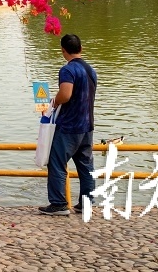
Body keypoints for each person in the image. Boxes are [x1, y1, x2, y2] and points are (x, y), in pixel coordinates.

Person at [40, 33, 98, 216]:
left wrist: (53, 103)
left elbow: (65, 94)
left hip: (70, 126)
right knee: (86, 165)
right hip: (87, 125)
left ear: (63, 51)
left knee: (56, 163)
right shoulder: (91, 70)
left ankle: (58, 204)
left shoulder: (68, 70)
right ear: (81, 48)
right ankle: (87, 203)